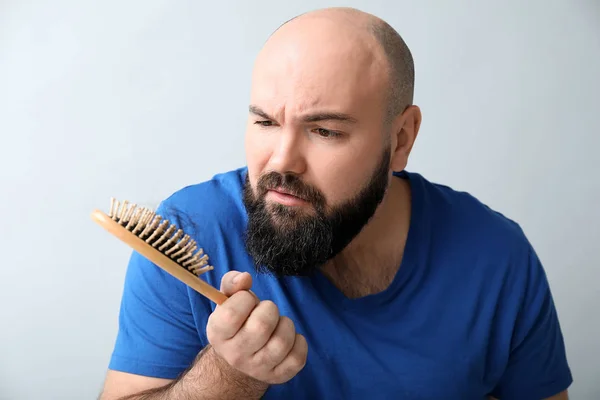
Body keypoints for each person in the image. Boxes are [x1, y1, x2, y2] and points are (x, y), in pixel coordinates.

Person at [99, 7, 572, 400]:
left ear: (401, 139)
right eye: (265, 122)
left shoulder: (496, 257)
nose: (281, 163)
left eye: (325, 131)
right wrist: (230, 375)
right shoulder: (189, 231)